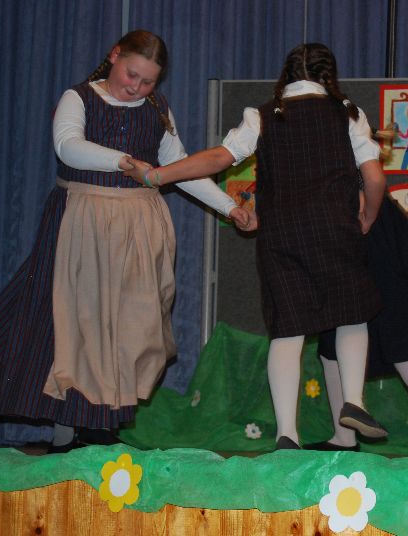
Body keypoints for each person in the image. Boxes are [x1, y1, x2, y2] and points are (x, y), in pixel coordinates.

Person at [0, 30, 249, 453]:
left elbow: (181, 167)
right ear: (115, 56)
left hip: (137, 231)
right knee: (74, 324)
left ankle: (100, 425)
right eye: (132, 75)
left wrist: (230, 207)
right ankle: (66, 431)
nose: (137, 87)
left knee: (126, 328)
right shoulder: (79, 98)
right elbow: (68, 147)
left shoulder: (157, 109)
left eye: (148, 81)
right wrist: (122, 161)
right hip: (83, 222)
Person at [125, 43, 388, 450]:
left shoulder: (263, 115)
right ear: (328, 77)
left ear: (286, 76)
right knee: (351, 315)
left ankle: (286, 433)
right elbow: (374, 177)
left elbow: (218, 158)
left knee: (287, 330)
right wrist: (367, 215)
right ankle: (353, 400)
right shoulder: (348, 114)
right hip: (335, 228)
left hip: (281, 235)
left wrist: (158, 175)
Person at [309, 193, 408, 462]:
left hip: (365, 228)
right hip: (370, 229)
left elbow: (372, 178)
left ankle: (345, 439)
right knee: (389, 344)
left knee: (347, 337)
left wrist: (364, 214)